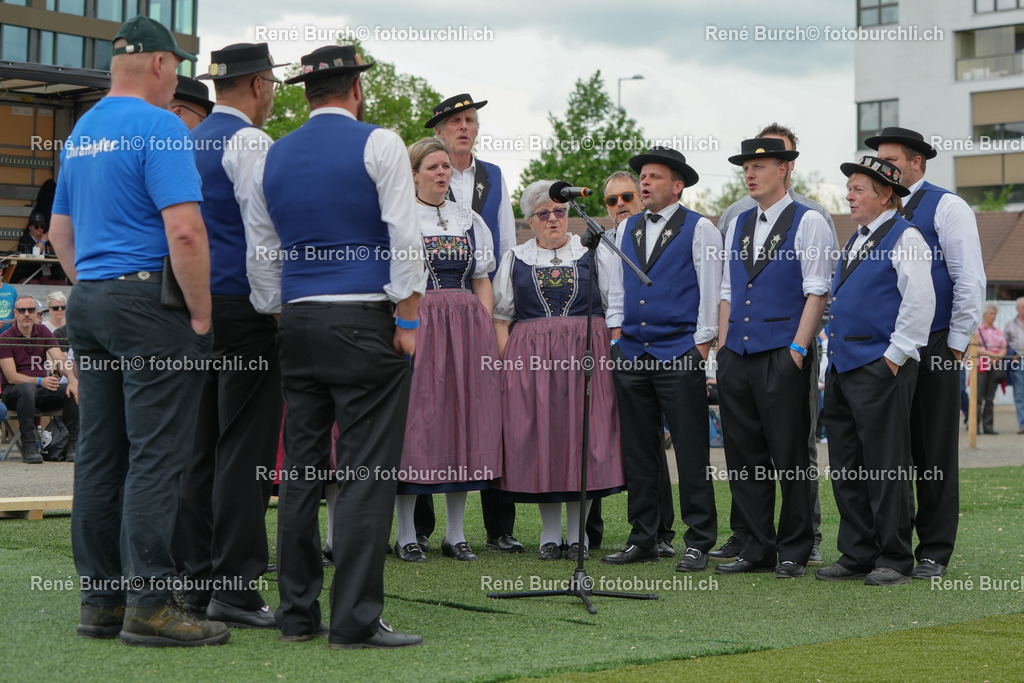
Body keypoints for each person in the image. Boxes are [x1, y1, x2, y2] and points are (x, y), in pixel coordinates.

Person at [48, 15, 224, 646]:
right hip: (149, 304)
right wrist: (200, 313)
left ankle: (102, 602)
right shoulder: (162, 126)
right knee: (156, 456)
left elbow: (60, 234)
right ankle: (151, 606)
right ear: (156, 64)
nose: (176, 75)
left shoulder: (81, 132)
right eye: (175, 65)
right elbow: (184, 231)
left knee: (100, 452)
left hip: (90, 300)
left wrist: (95, 282)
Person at [256, 44, 426, 649]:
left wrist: (282, 310)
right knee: (364, 472)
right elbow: (406, 235)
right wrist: (407, 317)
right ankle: (353, 619)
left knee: (300, 472)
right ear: (356, 89)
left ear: (306, 93)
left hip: (297, 321)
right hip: (362, 318)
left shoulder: (272, 155)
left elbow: (263, 249)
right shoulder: (379, 143)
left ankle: (297, 614)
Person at [176, 42, 286, 628]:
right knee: (244, 449)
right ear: (261, 84)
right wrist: (273, 308)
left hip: (191, 307)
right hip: (241, 307)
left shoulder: (187, 140)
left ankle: (194, 579)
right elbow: (262, 233)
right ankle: (236, 586)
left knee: (199, 446)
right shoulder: (249, 142)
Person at [710, 122, 837, 566]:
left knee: (790, 457)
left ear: (784, 170)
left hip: (783, 355)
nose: (749, 174)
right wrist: (723, 352)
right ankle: (757, 546)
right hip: (738, 357)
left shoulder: (811, 221)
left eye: (759, 165)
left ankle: (797, 548)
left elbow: (817, 291)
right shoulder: (740, 220)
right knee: (745, 458)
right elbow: (726, 290)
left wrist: (798, 352)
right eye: (746, 166)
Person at [868, 126, 986, 579]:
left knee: (933, 452)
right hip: (889, 346)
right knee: (891, 450)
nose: (883, 166)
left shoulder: (947, 205)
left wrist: (954, 347)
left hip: (935, 343)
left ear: (917, 162)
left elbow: (969, 280)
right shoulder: (879, 208)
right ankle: (888, 546)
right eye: (878, 159)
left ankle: (934, 549)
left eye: (891, 160)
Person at [815, 155, 934, 586]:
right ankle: (857, 552)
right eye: (849, 188)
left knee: (886, 465)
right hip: (844, 368)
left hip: (880, 367)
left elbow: (919, 301)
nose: (849, 195)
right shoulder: (857, 238)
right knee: (847, 464)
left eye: (859, 189)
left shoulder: (907, 237)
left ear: (886, 195)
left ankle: (895, 557)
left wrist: (894, 357)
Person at [602, 146, 722, 570]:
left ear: (677, 185)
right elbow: (617, 288)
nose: (644, 183)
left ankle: (699, 539)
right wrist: (617, 337)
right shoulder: (627, 227)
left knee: (691, 451)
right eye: (643, 177)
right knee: (639, 450)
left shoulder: (701, 228)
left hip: (679, 354)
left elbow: (711, 291)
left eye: (654, 177)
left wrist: (701, 348)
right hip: (632, 353)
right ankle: (644, 536)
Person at [492, 179, 624, 561]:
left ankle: (579, 535)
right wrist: (509, 363)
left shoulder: (593, 251)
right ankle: (550, 536)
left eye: (560, 211)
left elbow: (611, 307)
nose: (553, 218)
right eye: (544, 213)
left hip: (587, 357)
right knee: (543, 443)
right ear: (530, 221)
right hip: (532, 364)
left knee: (581, 440)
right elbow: (501, 317)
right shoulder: (515, 258)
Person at [389, 138, 500, 563]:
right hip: (419, 323)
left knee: (461, 422)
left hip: (465, 329)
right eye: (432, 167)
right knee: (416, 424)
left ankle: (455, 534)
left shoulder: (468, 219)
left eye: (445, 168)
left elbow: (482, 278)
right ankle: (406, 535)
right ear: (414, 173)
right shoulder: (401, 218)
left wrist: (483, 326)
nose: (441, 173)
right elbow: (396, 278)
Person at [422, 92, 522, 553]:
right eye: (456, 121)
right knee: (424, 414)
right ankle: (418, 528)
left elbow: (502, 246)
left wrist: (495, 317)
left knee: (481, 414)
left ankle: (498, 528)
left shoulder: (493, 176)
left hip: (477, 305)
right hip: (429, 307)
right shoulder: (424, 171)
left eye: (470, 120)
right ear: (438, 130)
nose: (465, 127)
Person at [586, 170, 675, 557]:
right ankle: (591, 533)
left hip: (648, 349)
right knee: (605, 439)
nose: (620, 205)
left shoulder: (652, 240)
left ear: (641, 199)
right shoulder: (597, 245)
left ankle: (662, 533)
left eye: (627, 197)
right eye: (611, 201)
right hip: (607, 350)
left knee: (649, 442)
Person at [0, 295, 78, 464]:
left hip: (39, 389)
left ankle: (72, 446)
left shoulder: (43, 331)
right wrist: (40, 381)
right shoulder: (6, 338)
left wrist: (72, 379)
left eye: (30, 310)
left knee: (71, 390)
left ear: (36, 312)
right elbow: (11, 376)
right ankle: (29, 446)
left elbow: (59, 359)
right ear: (15, 313)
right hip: (13, 393)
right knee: (27, 388)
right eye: (21, 310)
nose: (26, 314)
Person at [975, 302, 1007, 435]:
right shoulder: (978, 331)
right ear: (984, 315)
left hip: (995, 367)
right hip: (981, 366)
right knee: (978, 397)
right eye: (991, 313)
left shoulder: (998, 331)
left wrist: (997, 358)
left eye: (995, 314)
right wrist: (994, 355)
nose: (993, 316)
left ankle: (988, 426)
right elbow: (975, 349)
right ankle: (974, 426)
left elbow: (1004, 347)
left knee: (990, 398)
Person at [1004, 297, 1024, 434]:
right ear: (1017, 308)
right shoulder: (1010, 324)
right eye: (1022, 306)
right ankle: (1023, 425)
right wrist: (1012, 355)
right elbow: (1004, 343)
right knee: (1019, 394)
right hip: (1018, 361)